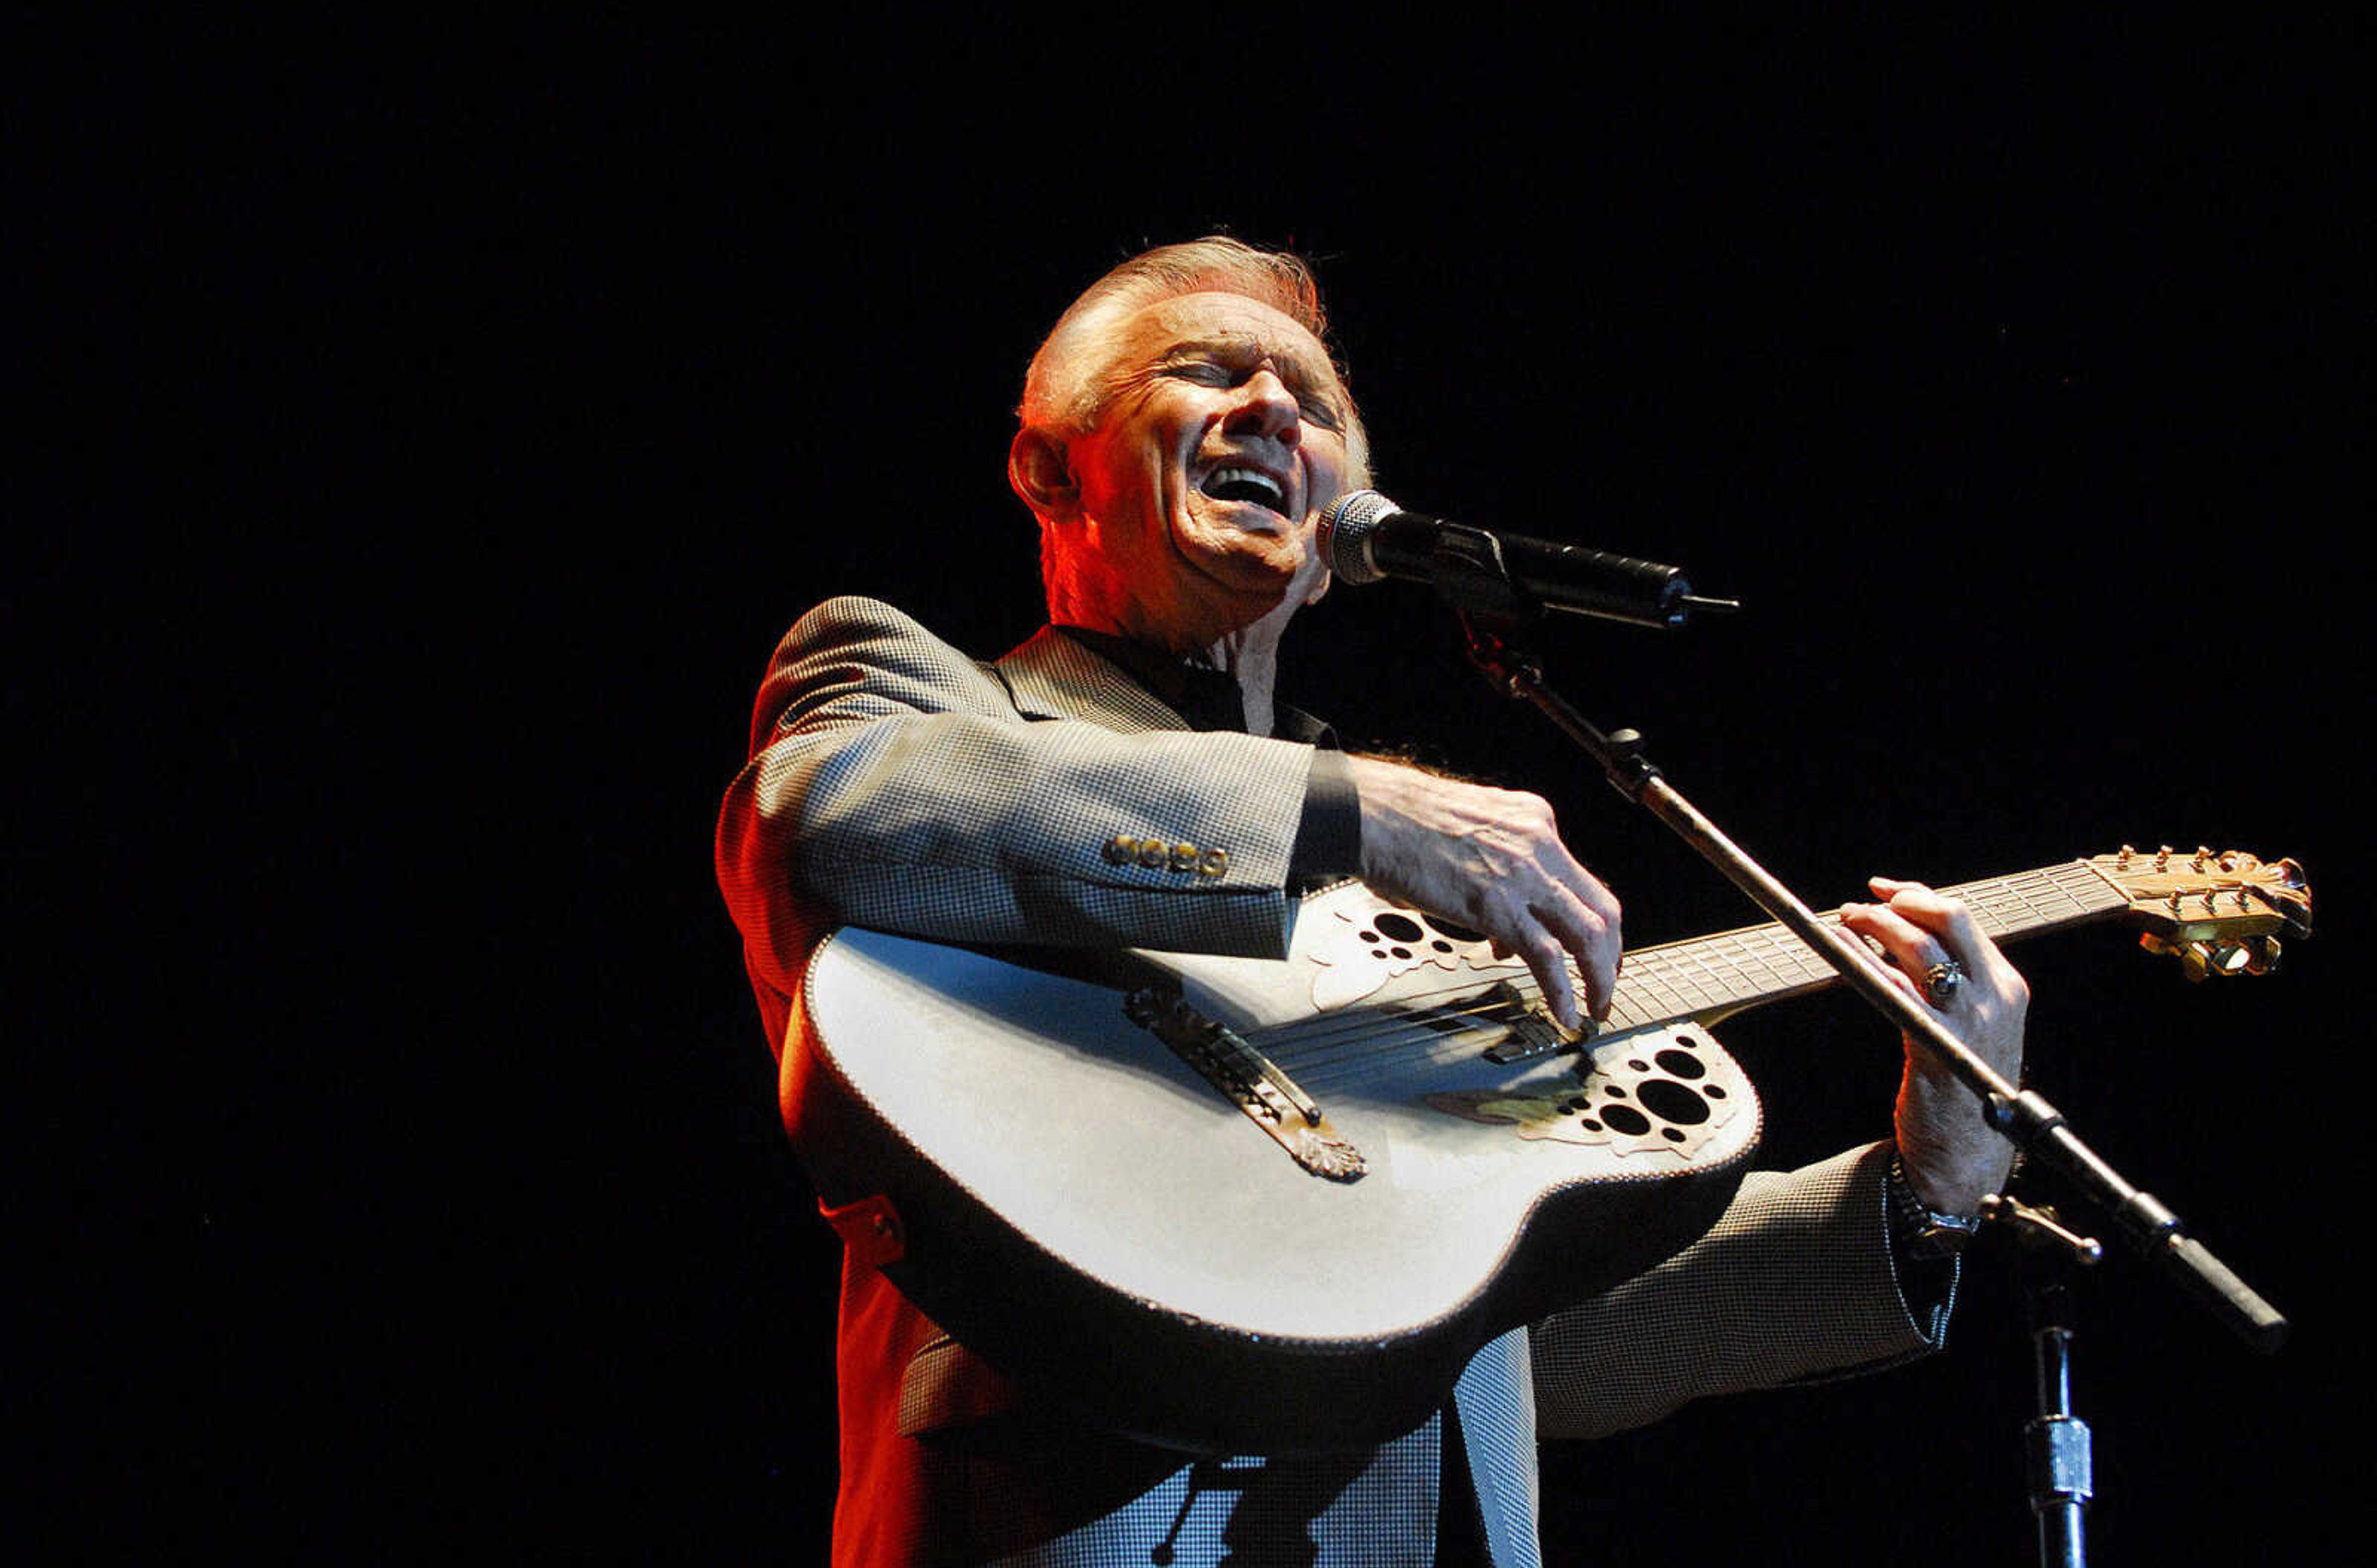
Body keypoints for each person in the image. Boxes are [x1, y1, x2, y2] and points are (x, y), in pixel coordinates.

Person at [715, 237, 2028, 1567]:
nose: (1273, 408)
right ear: (1051, 466)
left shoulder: (1427, 900)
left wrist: (1932, 1188)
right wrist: (1340, 808)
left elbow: (1530, 1330)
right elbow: (833, 817)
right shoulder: (917, 690)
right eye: (1204, 370)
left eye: (1311, 400)